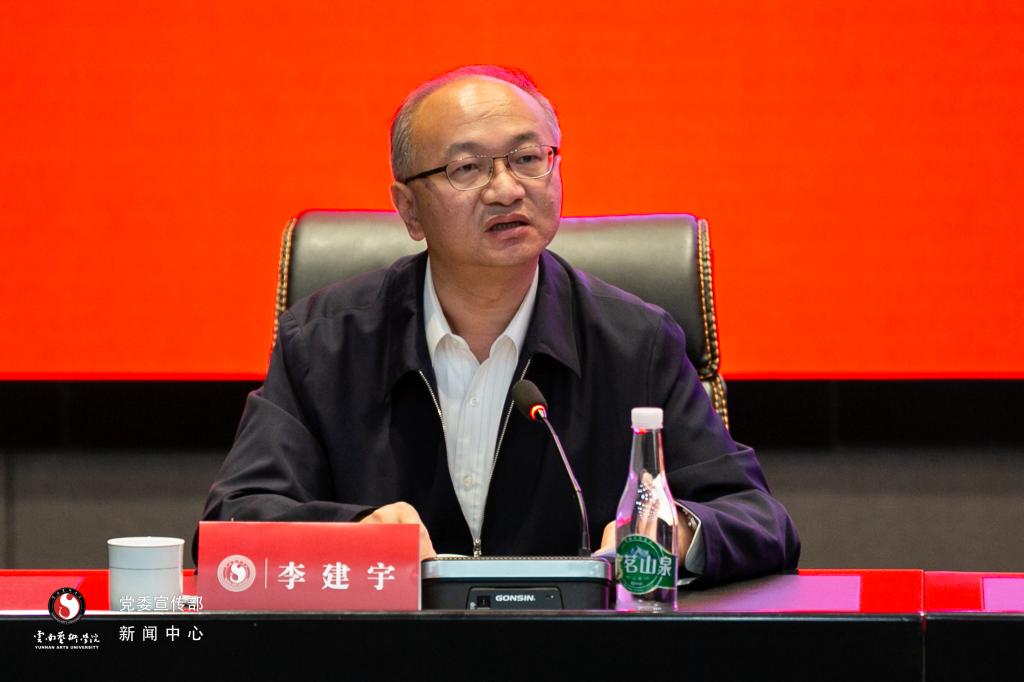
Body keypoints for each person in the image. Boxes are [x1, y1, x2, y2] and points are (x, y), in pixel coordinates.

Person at [200, 65, 800, 586]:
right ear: (409, 209)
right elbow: (230, 525)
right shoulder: (325, 342)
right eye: (467, 168)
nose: (507, 189)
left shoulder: (636, 343)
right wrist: (353, 534)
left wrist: (673, 532)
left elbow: (758, 520)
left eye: (528, 159)